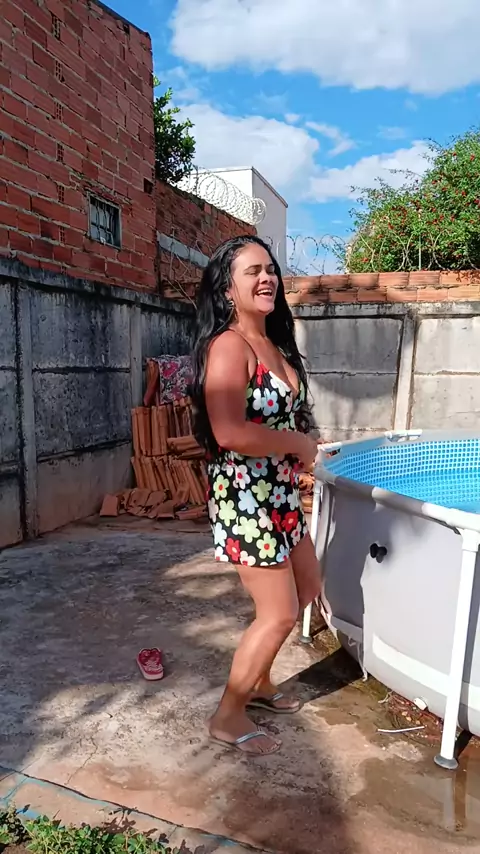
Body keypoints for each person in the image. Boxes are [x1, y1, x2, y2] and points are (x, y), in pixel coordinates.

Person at [191, 235, 321, 756]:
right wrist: (297, 444)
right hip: (246, 499)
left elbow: (280, 417)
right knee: (279, 613)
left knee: (308, 585)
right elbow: (228, 431)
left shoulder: (274, 343)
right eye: (253, 271)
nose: (267, 278)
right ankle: (227, 715)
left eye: (271, 269)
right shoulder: (228, 346)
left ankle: (261, 682)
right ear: (227, 289)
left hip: (278, 493)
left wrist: (303, 447)